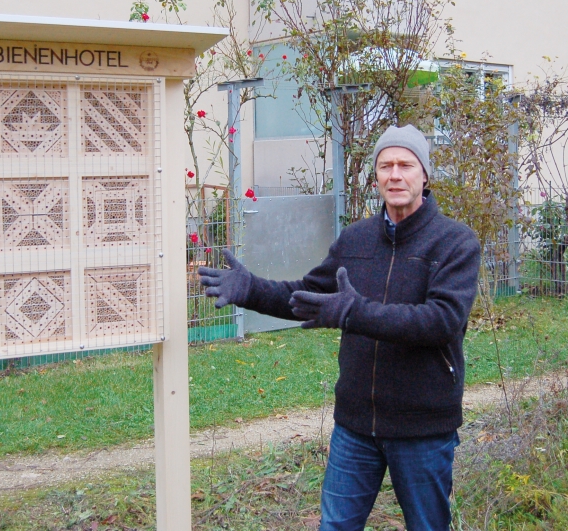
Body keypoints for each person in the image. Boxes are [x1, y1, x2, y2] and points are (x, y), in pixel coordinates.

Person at [198, 124, 480, 531]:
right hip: (356, 424)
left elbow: (442, 321)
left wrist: (355, 313)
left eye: (406, 165)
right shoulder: (357, 240)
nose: (395, 175)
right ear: (376, 176)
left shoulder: (454, 243)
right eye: (386, 166)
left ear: (425, 175)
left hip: (422, 426)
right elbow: (308, 296)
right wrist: (251, 290)